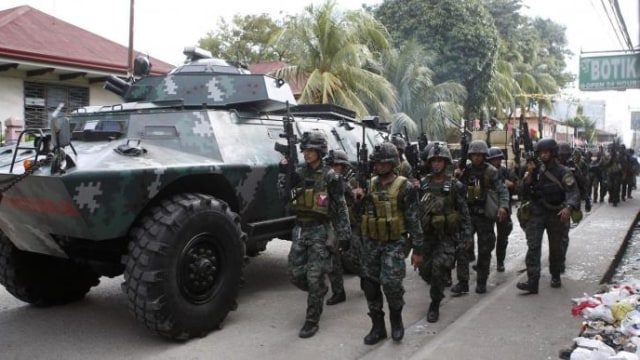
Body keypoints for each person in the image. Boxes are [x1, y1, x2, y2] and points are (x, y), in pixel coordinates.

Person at [276, 131, 351, 338]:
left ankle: (311, 320)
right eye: (305, 150)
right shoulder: (298, 172)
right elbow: (284, 197)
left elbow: (341, 206)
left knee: (314, 277)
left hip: (320, 230)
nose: (307, 154)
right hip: (300, 229)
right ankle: (319, 291)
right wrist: (284, 173)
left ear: (320, 151)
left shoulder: (331, 176)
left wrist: (344, 235)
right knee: (295, 274)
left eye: (311, 150)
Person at [352, 142, 424, 345]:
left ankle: (396, 320)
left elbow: (413, 219)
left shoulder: (405, 187)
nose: (379, 166)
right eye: (377, 162)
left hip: (394, 243)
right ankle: (377, 326)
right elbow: (357, 217)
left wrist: (418, 249)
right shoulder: (368, 184)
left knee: (392, 284)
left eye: (383, 162)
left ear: (392, 163)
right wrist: (357, 199)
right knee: (370, 285)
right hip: (371, 242)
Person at [517, 138, 580, 294]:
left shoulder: (563, 172)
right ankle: (532, 281)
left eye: (547, 152)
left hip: (555, 213)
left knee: (556, 247)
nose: (543, 155)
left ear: (553, 153)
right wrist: (529, 176)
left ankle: (556, 275)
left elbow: (573, 192)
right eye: (541, 152)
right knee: (533, 247)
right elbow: (521, 192)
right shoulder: (534, 170)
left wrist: (569, 207)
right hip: (537, 213)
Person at [418, 144, 471, 323]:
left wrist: (467, 235)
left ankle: (435, 303)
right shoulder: (423, 184)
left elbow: (463, 212)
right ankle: (436, 286)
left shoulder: (455, 185)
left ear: (446, 162)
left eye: (440, 160)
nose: (436, 164)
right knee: (425, 272)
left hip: (447, 237)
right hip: (427, 235)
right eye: (433, 161)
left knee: (438, 269)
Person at [452, 140, 509, 295]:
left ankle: (481, 281)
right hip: (469, 215)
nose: (476, 158)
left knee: (485, 249)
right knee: (462, 248)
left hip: (485, 217)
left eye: (479, 155)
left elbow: (502, 190)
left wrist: (503, 206)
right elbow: (458, 190)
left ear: (484, 156)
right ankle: (463, 283)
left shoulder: (491, 171)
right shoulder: (467, 170)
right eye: (474, 155)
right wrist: (456, 176)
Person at [324, 149, 359, 305]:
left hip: (348, 225)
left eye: (338, 166)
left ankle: (371, 282)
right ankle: (339, 292)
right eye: (333, 165)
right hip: (332, 225)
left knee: (354, 259)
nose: (335, 168)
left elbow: (345, 205)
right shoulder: (327, 179)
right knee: (332, 261)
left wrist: (345, 234)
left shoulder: (341, 182)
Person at [487, 147, 518, 272]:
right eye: (494, 160)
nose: (497, 162)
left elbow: (517, 187)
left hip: (504, 207)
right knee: (487, 237)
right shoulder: (486, 172)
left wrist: (511, 184)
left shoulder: (506, 172)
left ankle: (500, 261)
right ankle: (485, 261)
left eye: (498, 159)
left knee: (502, 237)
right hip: (489, 207)